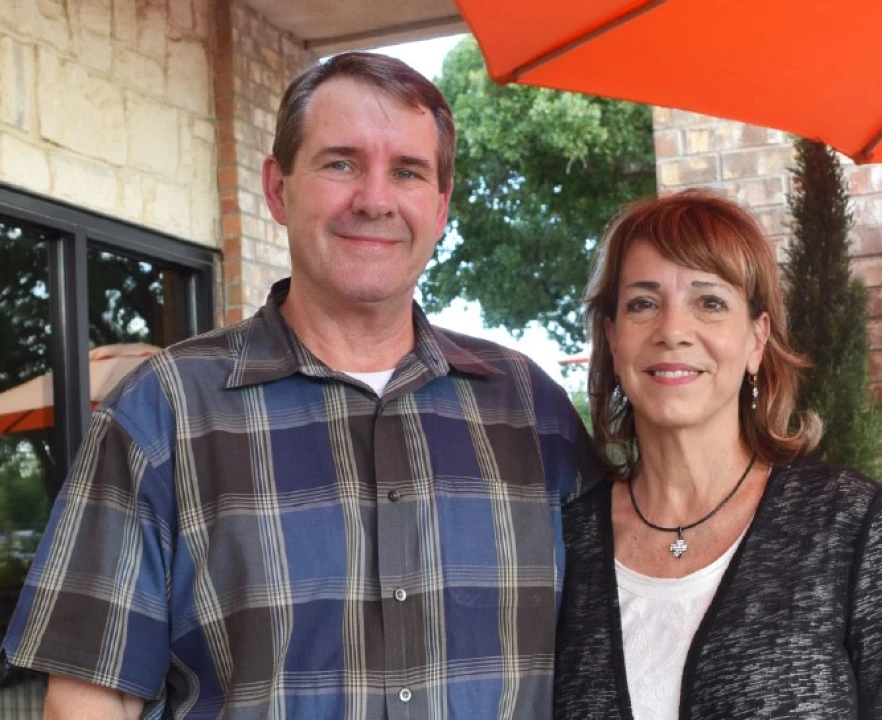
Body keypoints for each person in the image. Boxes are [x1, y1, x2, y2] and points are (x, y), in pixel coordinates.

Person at [1, 52, 600, 718]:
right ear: (278, 188)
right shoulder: (163, 414)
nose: (374, 199)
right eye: (341, 163)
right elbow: (88, 702)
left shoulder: (532, 413)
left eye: (406, 171)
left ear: (440, 207)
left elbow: (625, 639)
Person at [553, 190, 882, 719]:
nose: (672, 331)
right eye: (643, 304)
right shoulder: (565, 540)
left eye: (710, 303)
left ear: (756, 340)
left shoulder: (847, 524)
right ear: (613, 338)